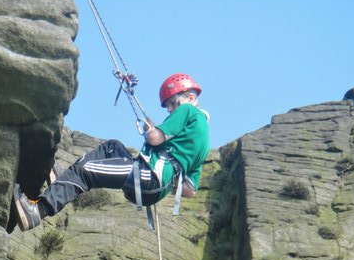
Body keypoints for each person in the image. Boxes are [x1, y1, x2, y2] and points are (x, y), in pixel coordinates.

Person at [13, 73, 210, 231]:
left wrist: (151, 133)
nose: (171, 110)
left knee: (86, 171)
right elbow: (189, 191)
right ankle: (63, 179)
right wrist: (172, 170)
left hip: (149, 176)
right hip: (154, 184)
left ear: (191, 97)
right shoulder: (203, 145)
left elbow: (155, 138)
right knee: (112, 147)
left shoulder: (189, 112)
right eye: (169, 107)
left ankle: (38, 210)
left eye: (173, 103)